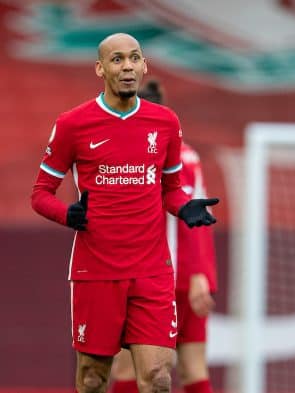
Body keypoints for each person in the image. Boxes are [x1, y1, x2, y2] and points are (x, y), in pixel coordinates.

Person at [31, 33, 219, 393]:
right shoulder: (73, 124)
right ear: (101, 69)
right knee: (93, 379)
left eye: (135, 58)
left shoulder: (165, 123)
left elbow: (170, 189)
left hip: (151, 270)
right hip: (96, 270)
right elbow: (40, 195)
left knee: (159, 379)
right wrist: (66, 214)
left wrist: (184, 206)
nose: (127, 66)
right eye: (117, 59)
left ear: (144, 65)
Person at [109, 80, 218, 393]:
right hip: (187, 275)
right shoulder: (189, 157)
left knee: (131, 364)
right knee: (192, 365)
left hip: (152, 276)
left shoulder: (137, 157)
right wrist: (201, 273)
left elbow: (186, 215)